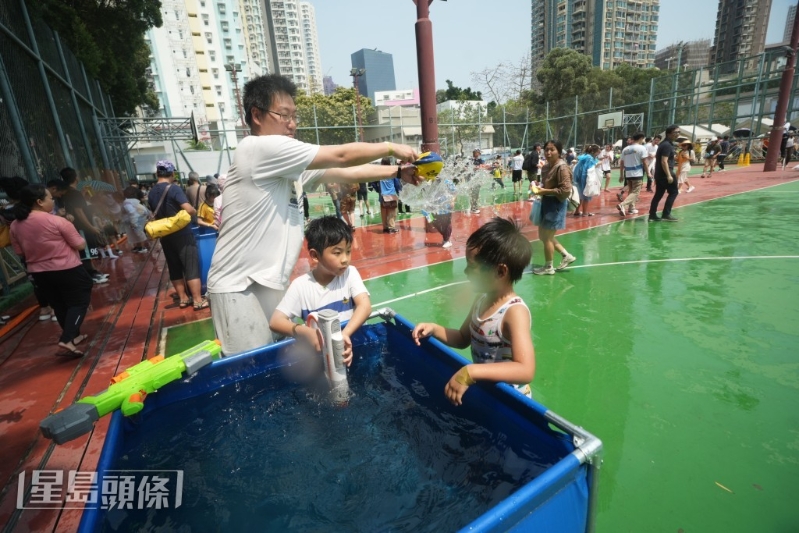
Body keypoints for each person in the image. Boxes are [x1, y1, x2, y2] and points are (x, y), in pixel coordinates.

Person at [206, 73, 419, 355]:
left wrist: (397, 171)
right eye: (283, 115)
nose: (292, 124)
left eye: (295, 116)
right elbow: (341, 156)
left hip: (266, 282)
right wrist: (392, 147)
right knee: (249, 368)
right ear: (256, 115)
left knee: (274, 364)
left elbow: (344, 172)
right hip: (240, 286)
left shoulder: (284, 166)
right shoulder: (257, 149)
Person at [411, 217, 535, 405]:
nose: (466, 272)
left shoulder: (514, 312)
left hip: (510, 402)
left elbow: (525, 370)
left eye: (472, 266)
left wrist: (471, 371)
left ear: (501, 272)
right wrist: (435, 329)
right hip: (487, 392)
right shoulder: (482, 299)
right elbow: (462, 338)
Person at [269, 216, 371, 363]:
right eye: (337, 253)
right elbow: (275, 321)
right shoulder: (300, 286)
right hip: (320, 359)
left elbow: (365, 306)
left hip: (350, 348)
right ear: (315, 255)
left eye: (348, 251)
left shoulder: (350, 273)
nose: (345, 259)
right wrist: (304, 331)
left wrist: (345, 334)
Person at [10, 184, 93, 356]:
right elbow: (79, 244)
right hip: (67, 268)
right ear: (40, 202)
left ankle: (73, 337)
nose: (53, 200)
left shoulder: (15, 225)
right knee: (79, 302)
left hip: (38, 273)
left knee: (59, 304)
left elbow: (19, 252)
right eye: (50, 198)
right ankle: (66, 339)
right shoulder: (57, 221)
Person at [148, 160, 208, 309]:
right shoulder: (173, 188)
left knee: (174, 267)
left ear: (157, 173)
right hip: (182, 234)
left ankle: (183, 299)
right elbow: (188, 209)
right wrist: (194, 211)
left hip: (165, 235)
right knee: (190, 265)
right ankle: (198, 300)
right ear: (172, 173)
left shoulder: (152, 192)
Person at [531, 140, 576, 275]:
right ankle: (565, 255)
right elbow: (545, 184)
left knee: (548, 237)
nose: (548, 152)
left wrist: (545, 191)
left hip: (555, 204)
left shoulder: (561, 167)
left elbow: (566, 190)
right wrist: (538, 186)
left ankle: (548, 267)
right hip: (545, 203)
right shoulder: (546, 167)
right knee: (543, 236)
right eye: (546, 150)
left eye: (552, 149)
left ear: (559, 151)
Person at [59, 168, 108, 284]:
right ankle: (90, 275)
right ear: (76, 178)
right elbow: (79, 212)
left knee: (89, 251)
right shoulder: (73, 193)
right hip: (82, 227)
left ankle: (93, 272)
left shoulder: (69, 193)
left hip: (80, 226)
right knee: (86, 251)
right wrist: (91, 227)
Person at [649, 124, 681, 222]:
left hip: (659, 174)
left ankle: (652, 215)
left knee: (658, 194)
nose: (678, 134)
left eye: (679, 132)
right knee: (674, 192)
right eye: (676, 132)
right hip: (665, 173)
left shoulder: (665, 144)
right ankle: (666, 214)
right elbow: (664, 161)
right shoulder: (667, 145)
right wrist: (668, 175)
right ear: (669, 133)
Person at [617, 132, 648, 217]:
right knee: (635, 192)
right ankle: (623, 205)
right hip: (637, 173)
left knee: (631, 191)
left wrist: (621, 175)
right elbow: (645, 162)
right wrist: (649, 173)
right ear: (641, 138)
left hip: (628, 173)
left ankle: (631, 208)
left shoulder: (625, 149)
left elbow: (622, 163)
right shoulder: (642, 148)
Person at [572, 144, 601, 217]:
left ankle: (577, 211)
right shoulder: (590, 158)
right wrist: (597, 164)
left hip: (579, 178)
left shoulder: (585, 156)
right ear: (595, 151)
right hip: (584, 178)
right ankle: (585, 212)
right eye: (598, 151)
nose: (599, 152)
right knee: (586, 195)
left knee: (580, 195)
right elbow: (589, 169)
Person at [120, 185, 150, 253]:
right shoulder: (134, 201)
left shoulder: (126, 202)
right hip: (139, 217)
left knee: (137, 233)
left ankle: (142, 247)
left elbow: (131, 212)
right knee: (137, 233)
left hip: (135, 219)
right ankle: (139, 247)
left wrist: (134, 222)